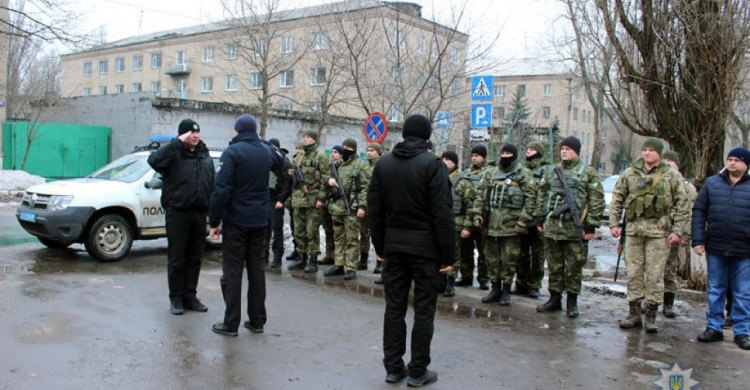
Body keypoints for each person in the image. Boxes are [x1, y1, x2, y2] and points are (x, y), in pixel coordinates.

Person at [368, 114, 454, 387]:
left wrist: (380, 247)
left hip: (394, 247)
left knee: (394, 308)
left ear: (404, 133)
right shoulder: (433, 165)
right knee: (424, 310)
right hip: (426, 251)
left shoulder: (383, 164)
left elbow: (375, 210)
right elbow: (443, 214)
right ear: (427, 135)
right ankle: (418, 371)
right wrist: (448, 256)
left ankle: (393, 368)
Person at [208, 114, 283, 337]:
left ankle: (231, 324)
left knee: (232, 272)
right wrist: (264, 141)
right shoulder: (265, 151)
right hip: (260, 220)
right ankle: (257, 320)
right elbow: (280, 161)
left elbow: (221, 190)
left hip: (237, 222)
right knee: (256, 271)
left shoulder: (233, 152)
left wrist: (214, 220)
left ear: (238, 131)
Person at [609, 137, 690, 333]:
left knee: (654, 275)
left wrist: (678, 231)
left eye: (651, 151)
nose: (647, 153)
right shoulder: (630, 173)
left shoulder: (671, 175)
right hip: (634, 232)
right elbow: (618, 197)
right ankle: (634, 313)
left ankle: (651, 315)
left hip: (659, 233)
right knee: (634, 273)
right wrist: (614, 223)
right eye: (644, 150)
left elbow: (682, 204)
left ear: (659, 153)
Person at [147, 119, 215, 315]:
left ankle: (190, 296)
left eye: (197, 132)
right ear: (182, 135)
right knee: (177, 258)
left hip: (199, 213)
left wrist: (213, 213)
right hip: (178, 213)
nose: (195, 135)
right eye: (190, 133)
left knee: (195, 258)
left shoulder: (204, 155)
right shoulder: (173, 153)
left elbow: (211, 183)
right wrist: (176, 142)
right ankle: (176, 298)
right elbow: (153, 161)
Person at [535, 136, 604, 318]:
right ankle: (554, 299)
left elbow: (596, 199)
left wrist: (590, 225)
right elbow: (541, 194)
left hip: (575, 229)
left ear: (576, 151)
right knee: (554, 266)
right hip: (553, 228)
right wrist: (540, 217)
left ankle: (572, 302)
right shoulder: (552, 171)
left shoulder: (588, 173)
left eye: (567, 148)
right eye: (562, 148)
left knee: (574, 268)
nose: (564, 151)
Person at [692, 147, 750, 350]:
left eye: (737, 160)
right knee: (716, 289)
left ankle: (742, 331)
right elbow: (699, 211)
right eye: (730, 159)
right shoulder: (712, 183)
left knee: (743, 292)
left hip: (744, 249)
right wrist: (697, 240)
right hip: (716, 246)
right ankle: (714, 327)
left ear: (746, 164)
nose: (732, 163)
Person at [474, 144, 536, 306]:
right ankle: (495, 289)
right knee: (492, 259)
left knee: (509, 260)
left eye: (509, 153)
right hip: (490, 225)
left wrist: (523, 221)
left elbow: (531, 199)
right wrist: (477, 216)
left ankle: (506, 290)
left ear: (515, 156)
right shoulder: (491, 173)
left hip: (512, 227)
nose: (505, 156)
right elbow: (479, 196)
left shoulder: (524, 174)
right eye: (503, 152)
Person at [324, 138, 370, 280]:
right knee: (339, 238)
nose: (343, 150)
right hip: (337, 208)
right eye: (342, 147)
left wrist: (362, 206)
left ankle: (350, 267)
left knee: (352, 239)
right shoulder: (337, 165)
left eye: (346, 147)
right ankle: (339, 264)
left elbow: (365, 188)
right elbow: (325, 177)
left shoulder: (361, 165)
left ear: (352, 149)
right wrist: (329, 181)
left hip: (352, 208)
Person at [660, 150, 697, 317]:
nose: (667, 163)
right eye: (665, 160)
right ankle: (650, 299)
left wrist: (685, 235)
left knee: (670, 268)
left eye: (671, 161)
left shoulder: (687, 187)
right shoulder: (658, 181)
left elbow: (689, 213)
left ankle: (668, 303)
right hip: (657, 231)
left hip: (674, 233)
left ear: (677, 165)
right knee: (652, 269)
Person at [288, 131, 331, 273]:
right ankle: (302, 258)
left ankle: (312, 260)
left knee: (311, 231)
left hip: (312, 199)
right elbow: (294, 181)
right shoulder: (299, 157)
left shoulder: (321, 156)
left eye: (307, 137)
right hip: (298, 200)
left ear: (314, 139)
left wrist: (321, 199)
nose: (305, 139)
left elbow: (326, 179)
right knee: (299, 231)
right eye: (304, 137)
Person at [515, 142, 550, 298]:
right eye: (527, 149)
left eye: (533, 150)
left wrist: (541, 216)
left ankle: (534, 285)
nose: (529, 152)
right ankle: (521, 283)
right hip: (522, 217)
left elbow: (546, 194)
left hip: (538, 219)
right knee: (521, 253)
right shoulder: (520, 169)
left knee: (538, 254)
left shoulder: (547, 170)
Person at [459, 145, 493, 290]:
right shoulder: (466, 172)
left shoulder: (490, 172)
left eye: (477, 155)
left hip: (482, 217)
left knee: (483, 251)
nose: (474, 158)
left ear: (483, 157)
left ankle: (484, 279)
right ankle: (466, 276)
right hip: (466, 216)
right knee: (465, 249)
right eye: (472, 155)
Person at [441, 151, 475, 297]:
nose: (444, 162)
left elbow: (470, 206)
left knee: (454, 254)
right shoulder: (437, 177)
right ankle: (441, 280)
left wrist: (467, 226)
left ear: (455, 163)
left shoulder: (464, 181)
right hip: (439, 223)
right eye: (443, 159)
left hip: (456, 222)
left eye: (448, 160)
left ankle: (450, 282)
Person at [267, 138, 293, 268]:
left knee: (276, 230)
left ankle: (277, 256)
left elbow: (288, 183)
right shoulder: (267, 160)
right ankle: (263, 254)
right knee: (263, 229)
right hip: (266, 199)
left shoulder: (284, 162)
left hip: (276, 200)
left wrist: (281, 200)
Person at [362, 143, 382, 273]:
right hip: (365, 203)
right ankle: (363, 259)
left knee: (378, 234)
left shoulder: (382, 166)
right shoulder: (364, 166)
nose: (369, 153)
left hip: (378, 205)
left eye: (372, 151)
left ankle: (380, 261)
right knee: (363, 233)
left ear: (378, 152)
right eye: (368, 150)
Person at [285, 142, 305, 262]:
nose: (298, 151)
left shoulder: (306, 162)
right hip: (293, 199)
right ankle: (297, 249)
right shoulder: (292, 162)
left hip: (304, 200)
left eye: (300, 148)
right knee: (295, 227)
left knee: (304, 229)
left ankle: (303, 253)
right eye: (296, 148)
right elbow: (288, 182)